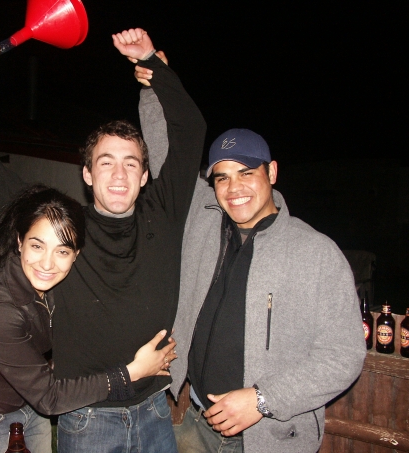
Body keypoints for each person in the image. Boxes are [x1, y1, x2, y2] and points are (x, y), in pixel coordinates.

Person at [0, 29, 206, 452]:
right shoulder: (64, 228)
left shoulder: (165, 211)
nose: (119, 174)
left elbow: (191, 129)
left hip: (155, 411)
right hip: (88, 420)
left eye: (131, 164)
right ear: (87, 174)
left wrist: (152, 62)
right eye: (105, 163)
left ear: (145, 175)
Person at [135, 61, 367, 453]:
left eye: (246, 173)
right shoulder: (203, 220)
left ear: (271, 172)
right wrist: (154, 83)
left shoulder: (316, 254)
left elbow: (344, 356)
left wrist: (262, 399)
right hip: (198, 421)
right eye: (222, 177)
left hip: (272, 437)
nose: (234, 188)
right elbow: (166, 156)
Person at [0, 184, 176, 453]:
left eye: (62, 251)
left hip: (30, 408)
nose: (47, 264)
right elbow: (49, 398)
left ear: (76, 255)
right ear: (19, 241)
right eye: (37, 246)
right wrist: (132, 372)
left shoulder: (54, 285)